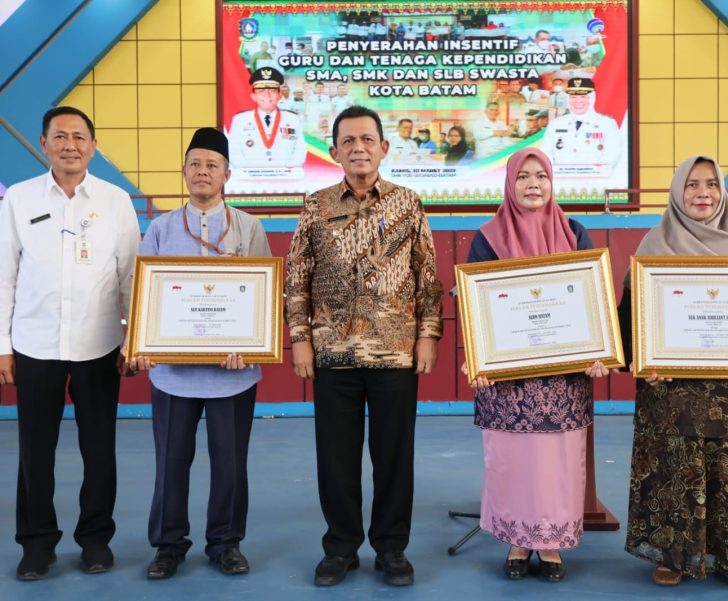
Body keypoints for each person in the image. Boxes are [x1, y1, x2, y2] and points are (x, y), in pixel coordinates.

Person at [618, 155, 728, 590]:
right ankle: (674, 555)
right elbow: (629, 320)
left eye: (711, 184)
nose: (703, 193)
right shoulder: (654, 245)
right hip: (670, 390)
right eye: (692, 184)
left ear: (722, 191)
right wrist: (640, 361)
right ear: (677, 191)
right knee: (673, 468)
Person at [285, 105, 443, 587]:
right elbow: (297, 276)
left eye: (367, 139)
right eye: (348, 140)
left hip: (395, 350)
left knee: (394, 455)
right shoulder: (314, 205)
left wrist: (428, 335)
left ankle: (392, 548)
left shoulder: (408, 203)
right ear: (333, 151)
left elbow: (427, 277)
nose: (358, 147)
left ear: (384, 148)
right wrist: (300, 340)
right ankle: (341, 547)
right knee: (336, 455)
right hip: (332, 350)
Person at [0, 106, 140, 580]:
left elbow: (130, 276)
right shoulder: (17, 199)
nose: (70, 145)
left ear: (93, 146)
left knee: (99, 449)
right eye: (60, 136)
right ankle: (36, 545)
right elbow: (4, 278)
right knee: (35, 451)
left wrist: (132, 338)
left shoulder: (115, 200)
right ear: (44, 144)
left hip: (99, 344)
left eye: (79, 137)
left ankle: (96, 540)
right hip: (34, 345)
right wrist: (2, 345)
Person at [127, 128, 270, 580]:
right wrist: (142, 345)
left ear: (227, 173)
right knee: (171, 461)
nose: (202, 172)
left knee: (230, 462)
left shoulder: (248, 228)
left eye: (211, 165)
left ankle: (225, 542)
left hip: (233, 373)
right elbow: (141, 294)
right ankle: (168, 545)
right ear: (184, 172)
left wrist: (248, 347)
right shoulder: (162, 227)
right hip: (172, 374)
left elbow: (266, 296)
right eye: (194, 164)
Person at [461, 148, 607, 583]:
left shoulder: (574, 232)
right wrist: (479, 356)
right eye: (523, 176)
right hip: (508, 376)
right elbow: (476, 308)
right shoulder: (487, 238)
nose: (532, 184)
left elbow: (590, 301)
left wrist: (598, 350)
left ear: (552, 181)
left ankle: (551, 540)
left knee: (558, 458)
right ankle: (517, 538)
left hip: (563, 376)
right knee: (514, 457)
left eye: (540, 175)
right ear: (509, 182)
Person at [540, 78, 621, 178]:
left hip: (596, 183)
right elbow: (545, 153)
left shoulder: (607, 124)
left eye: (583, 97)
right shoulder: (555, 124)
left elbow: (613, 153)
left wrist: (593, 173)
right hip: (561, 183)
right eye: (573, 97)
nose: (578, 101)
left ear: (591, 98)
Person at [226, 67, 306, 168]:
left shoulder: (293, 119)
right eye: (261, 91)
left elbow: (300, 150)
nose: (267, 95)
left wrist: (284, 170)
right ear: (253, 96)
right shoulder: (240, 120)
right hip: (249, 179)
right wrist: (252, 172)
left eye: (272, 91)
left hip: (285, 178)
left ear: (279, 95)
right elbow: (233, 151)